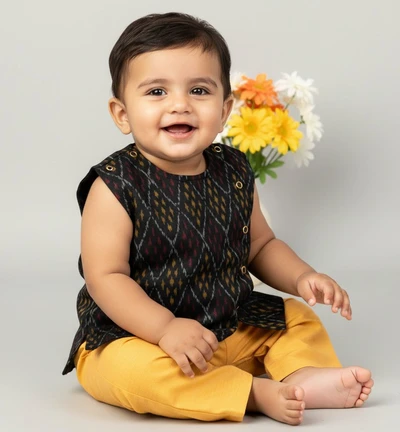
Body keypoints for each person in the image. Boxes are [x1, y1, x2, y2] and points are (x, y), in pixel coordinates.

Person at [62, 12, 373, 425]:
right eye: (156, 91)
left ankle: (302, 376)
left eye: (198, 90)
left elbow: (261, 245)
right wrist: (165, 328)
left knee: (295, 317)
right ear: (122, 114)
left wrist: (302, 277)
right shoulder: (115, 186)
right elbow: (106, 278)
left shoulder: (234, 170)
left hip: (227, 322)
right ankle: (251, 393)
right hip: (139, 334)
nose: (180, 104)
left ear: (225, 109)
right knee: (129, 371)